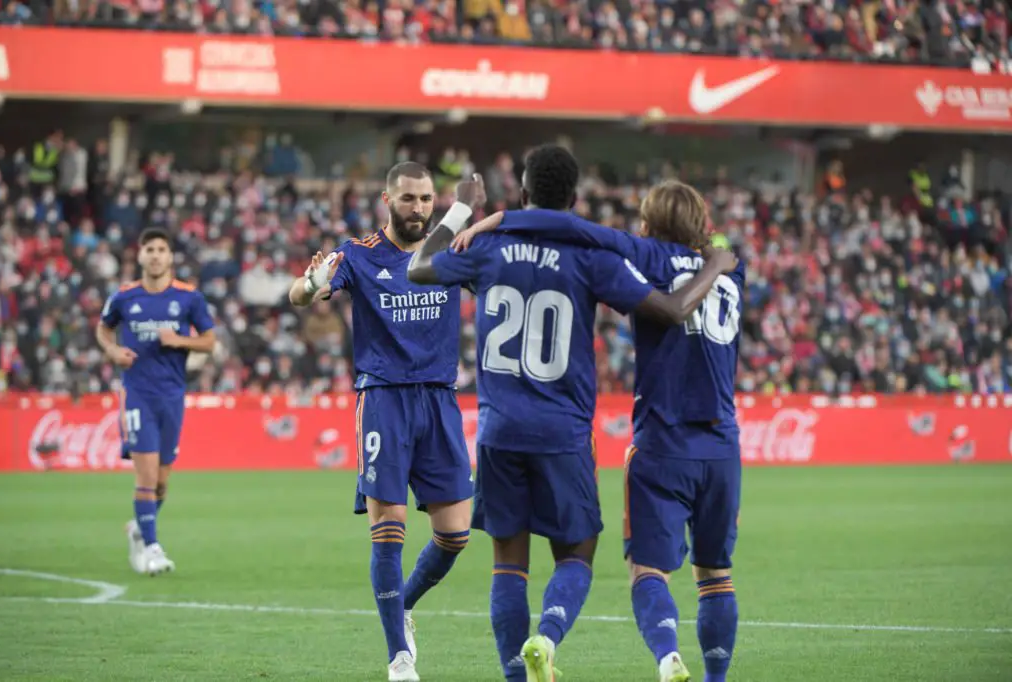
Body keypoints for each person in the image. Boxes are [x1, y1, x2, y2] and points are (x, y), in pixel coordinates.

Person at [406, 146, 737, 682]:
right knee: (577, 553)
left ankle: (516, 676)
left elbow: (419, 267)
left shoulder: (487, 247)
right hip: (564, 431)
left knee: (508, 563)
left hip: (499, 429)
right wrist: (714, 263)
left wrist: (465, 210)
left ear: (523, 193)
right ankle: (548, 636)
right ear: (575, 199)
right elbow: (665, 308)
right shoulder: (590, 258)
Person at [288, 163, 485, 682]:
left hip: (440, 400)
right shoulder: (358, 253)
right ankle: (399, 657)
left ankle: (404, 606)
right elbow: (300, 294)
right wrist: (311, 282)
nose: (418, 208)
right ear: (387, 201)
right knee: (388, 531)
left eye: (427, 199)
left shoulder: (448, 250)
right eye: (408, 199)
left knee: (455, 536)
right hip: (383, 400)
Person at [96, 228, 216, 576]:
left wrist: (179, 340)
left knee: (162, 481)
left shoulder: (189, 297)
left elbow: (209, 341)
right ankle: (152, 547)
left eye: (161, 249)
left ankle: (139, 528)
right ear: (140, 255)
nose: (155, 255)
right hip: (138, 394)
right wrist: (112, 351)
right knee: (146, 476)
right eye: (149, 249)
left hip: (172, 395)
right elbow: (103, 328)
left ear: (170, 256)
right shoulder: (124, 296)